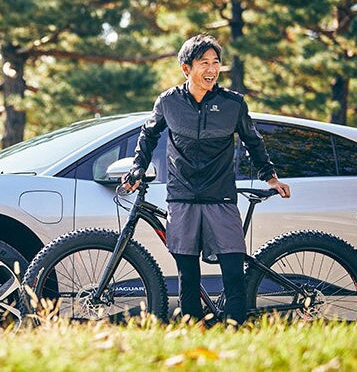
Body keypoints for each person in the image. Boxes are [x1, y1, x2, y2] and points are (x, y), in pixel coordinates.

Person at [123, 34, 291, 324]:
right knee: (187, 273)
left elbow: (253, 140)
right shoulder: (168, 102)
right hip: (182, 197)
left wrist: (270, 177)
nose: (212, 69)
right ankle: (193, 328)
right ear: (186, 68)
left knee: (233, 269)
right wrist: (138, 168)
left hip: (221, 196)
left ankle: (236, 327)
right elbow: (148, 136)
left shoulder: (232, 104)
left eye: (216, 63)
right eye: (204, 63)